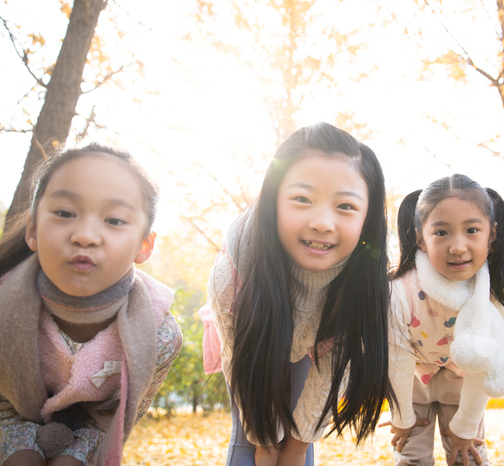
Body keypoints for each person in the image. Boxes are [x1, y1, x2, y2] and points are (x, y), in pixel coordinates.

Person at [199, 122, 395, 466]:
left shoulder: (362, 280)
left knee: (297, 438)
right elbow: (244, 373)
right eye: (302, 199)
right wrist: (264, 444)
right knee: (252, 438)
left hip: (318, 345)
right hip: (255, 335)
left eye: (345, 206)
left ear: (367, 218)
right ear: (274, 201)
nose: (322, 222)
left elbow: (323, 386)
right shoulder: (231, 276)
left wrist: (295, 448)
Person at [0, 144, 182, 466]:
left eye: (113, 220)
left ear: (144, 245)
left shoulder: (159, 335)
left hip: (89, 431)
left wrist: (77, 452)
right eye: (65, 213)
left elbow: (118, 418)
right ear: (32, 230)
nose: (85, 236)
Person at [385, 174, 504, 466]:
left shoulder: (491, 296)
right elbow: (396, 359)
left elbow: (484, 365)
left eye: (472, 230)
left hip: (464, 386)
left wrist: (466, 426)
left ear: (492, 235)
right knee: (410, 458)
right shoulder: (400, 291)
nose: (458, 246)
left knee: (468, 456)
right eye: (442, 233)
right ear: (420, 238)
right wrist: (402, 417)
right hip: (411, 383)